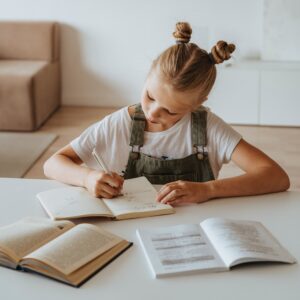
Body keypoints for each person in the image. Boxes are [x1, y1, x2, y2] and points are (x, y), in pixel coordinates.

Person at [44, 22, 290, 206]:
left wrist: (208, 190)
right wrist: (87, 178)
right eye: (150, 96)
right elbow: (53, 164)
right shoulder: (120, 124)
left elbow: (276, 177)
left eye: (171, 111)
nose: (152, 112)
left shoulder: (208, 128)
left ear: (198, 103)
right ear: (148, 75)